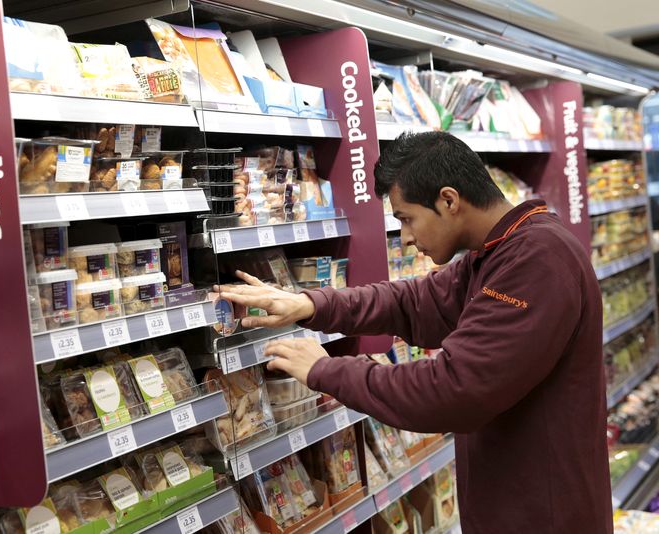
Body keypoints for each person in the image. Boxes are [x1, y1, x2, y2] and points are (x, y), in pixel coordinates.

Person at [218, 131, 611, 534]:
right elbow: (414, 301)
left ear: (448, 200)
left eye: (406, 218)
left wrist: (325, 370)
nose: (405, 238)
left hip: (545, 517)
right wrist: (311, 305)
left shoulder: (536, 259)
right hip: (510, 510)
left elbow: (454, 391)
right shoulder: (495, 251)